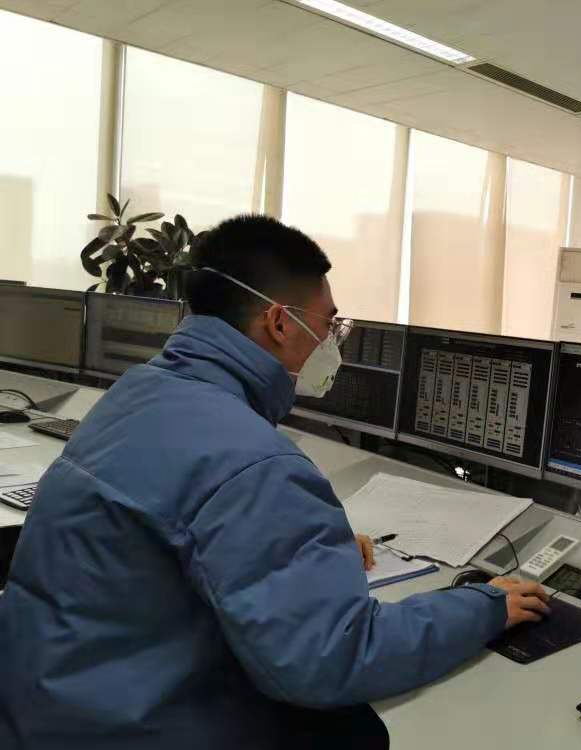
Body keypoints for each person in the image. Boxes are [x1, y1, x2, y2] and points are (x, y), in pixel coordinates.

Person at [0, 215, 550, 749]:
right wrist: (483, 607)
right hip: (130, 726)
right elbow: (333, 658)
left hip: (50, 700)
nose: (331, 341)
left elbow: (180, 534)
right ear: (281, 323)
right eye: (329, 324)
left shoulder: (138, 392)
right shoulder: (255, 462)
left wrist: (304, 547)